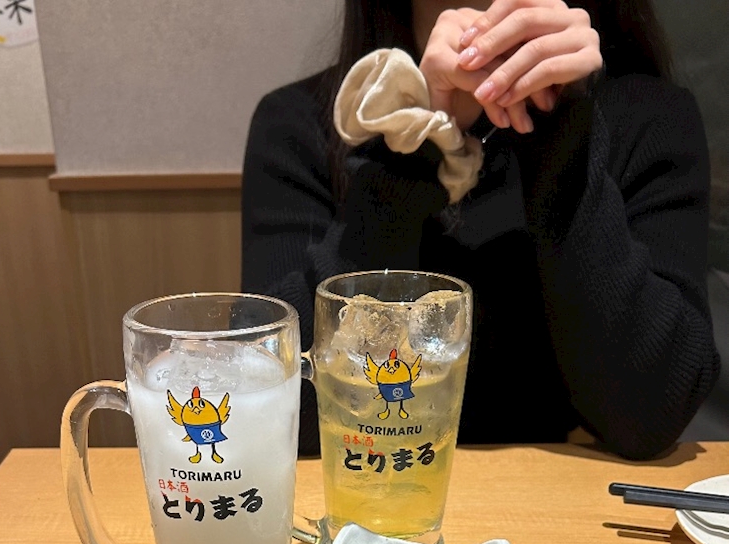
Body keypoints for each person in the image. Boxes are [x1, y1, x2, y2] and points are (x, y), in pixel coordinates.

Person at [241, 0, 720, 460]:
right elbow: (271, 404)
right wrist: (410, 138)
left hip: (563, 504)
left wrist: (558, 131)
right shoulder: (306, 123)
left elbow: (650, 414)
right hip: (364, 491)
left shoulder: (646, 115)